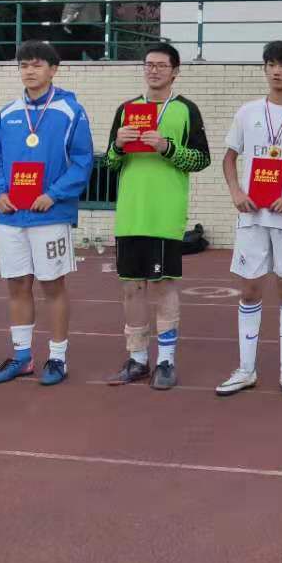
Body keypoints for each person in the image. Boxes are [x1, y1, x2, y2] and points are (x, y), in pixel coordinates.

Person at [216, 40, 282, 398]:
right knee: (249, 288)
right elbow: (229, 158)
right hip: (252, 217)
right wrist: (236, 192)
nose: (277, 71)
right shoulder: (247, 112)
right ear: (264, 68)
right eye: (271, 64)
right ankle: (246, 369)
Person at [103, 43, 211, 392]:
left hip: (165, 214)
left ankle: (166, 361)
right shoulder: (126, 109)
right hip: (130, 214)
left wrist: (167, 147)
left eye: (162, 65)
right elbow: (110, 163)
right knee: (131, 287)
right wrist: (118, 146)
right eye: (149, 64)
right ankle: (137, 358)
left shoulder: (185, 109)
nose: (154, 70)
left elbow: (201, 159)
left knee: (163, 285)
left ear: (175, 71)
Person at [0, 40, 95, 387]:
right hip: (12, 216)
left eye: (36, 65)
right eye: (23, 65)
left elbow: (82, 162)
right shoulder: (7, 112)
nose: (29, 71)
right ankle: (22, 357)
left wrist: (54, 194)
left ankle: (58, 358)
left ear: (53, 69)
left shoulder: (70, 111)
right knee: (17, 284)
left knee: (52, 285)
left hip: (50, 214)